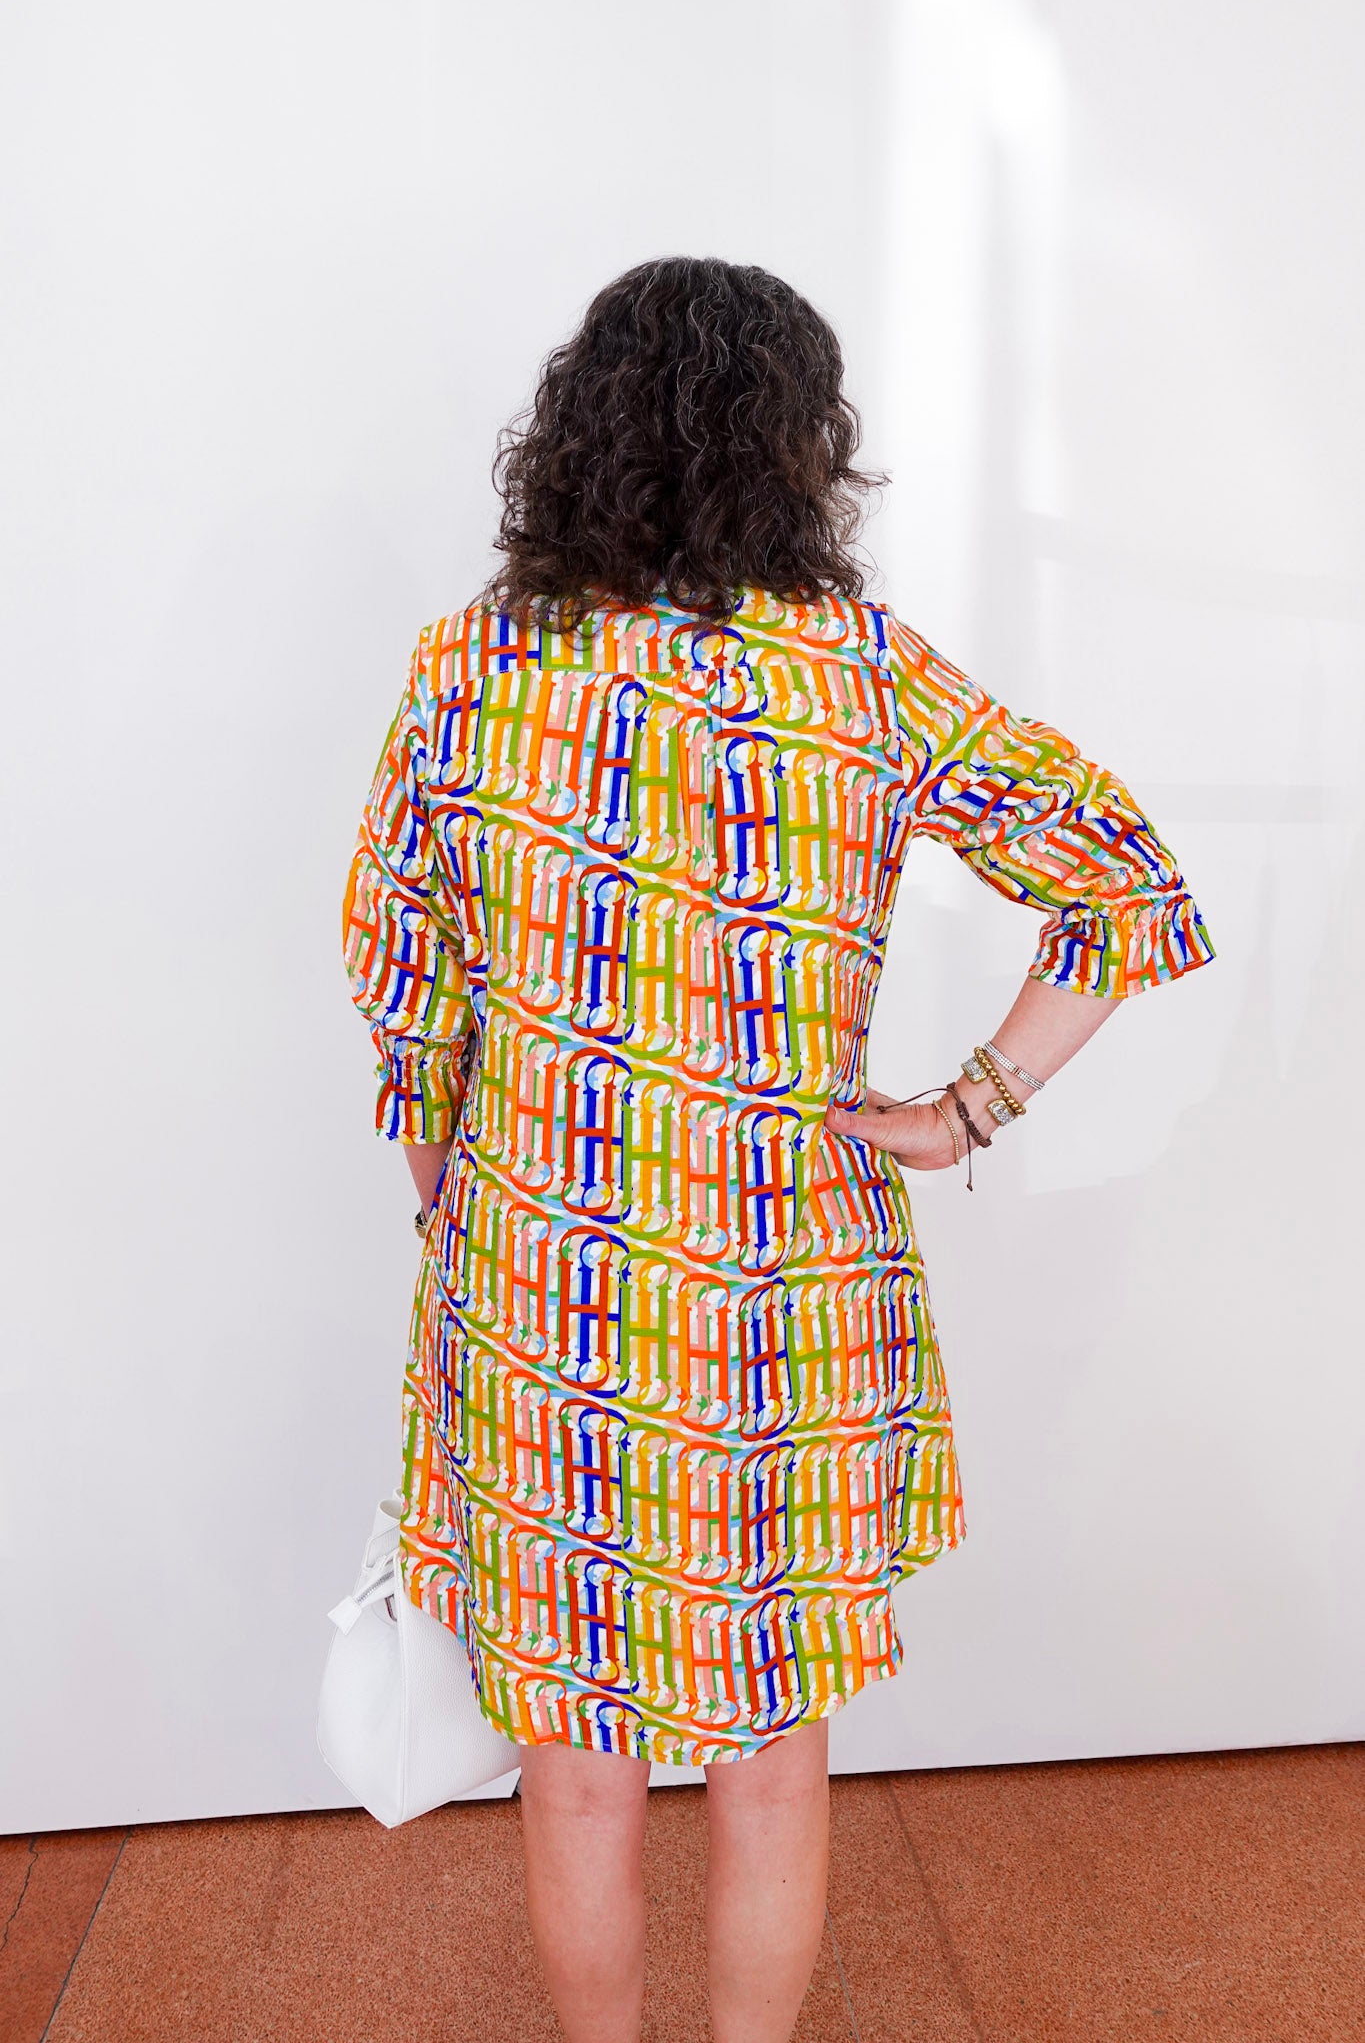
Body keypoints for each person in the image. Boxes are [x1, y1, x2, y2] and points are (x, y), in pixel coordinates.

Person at [342, 255, 1214, 2043]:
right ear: (800, 446)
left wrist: (457, 1172)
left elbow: (400, 972)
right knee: (768, 1751)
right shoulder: (864, 681)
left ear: (572, 437)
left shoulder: (472, 671)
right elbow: (1123, 887)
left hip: (542, 1283)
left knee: (572, 1764)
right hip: (778, 1285)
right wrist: (961, 1110)